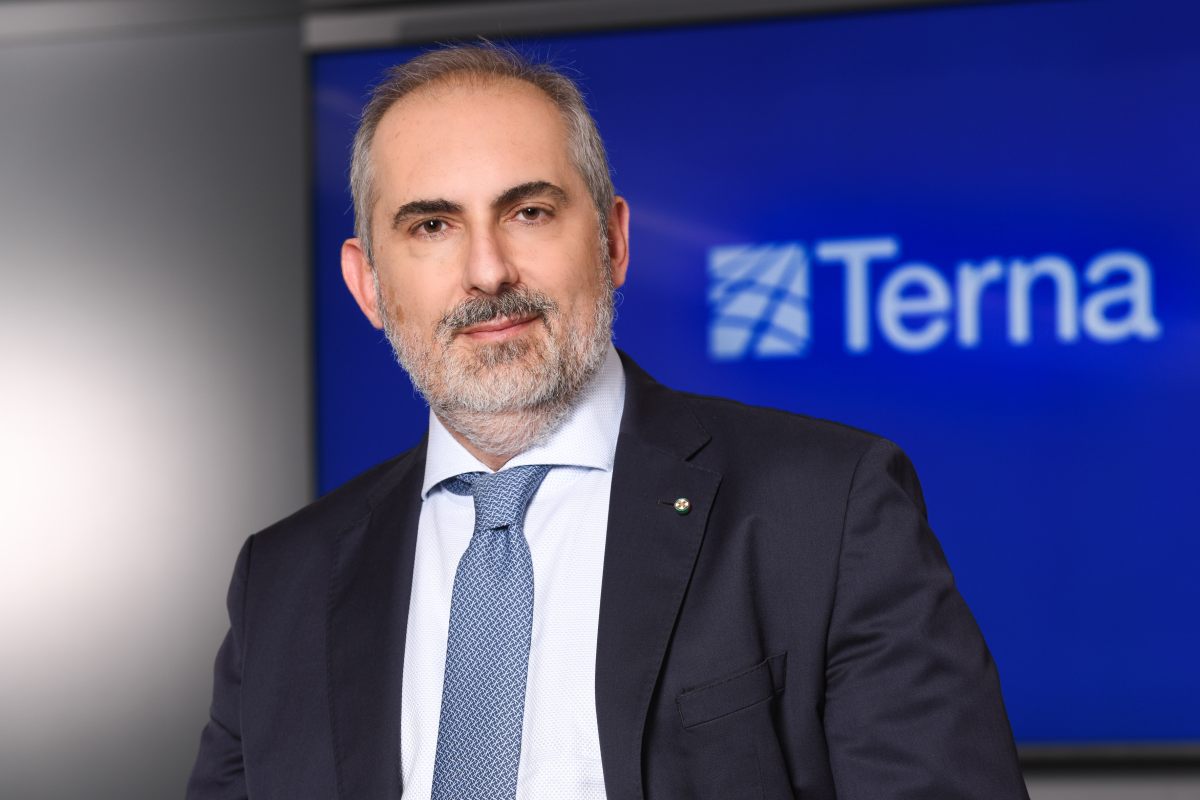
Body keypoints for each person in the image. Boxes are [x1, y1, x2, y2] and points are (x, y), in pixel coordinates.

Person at [188, 44, 1029, 800]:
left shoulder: (828, 509)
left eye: (529, 212)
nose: (488, 271)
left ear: (613, 242)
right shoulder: (282, 584)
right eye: (432, 226)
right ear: (368, 285)